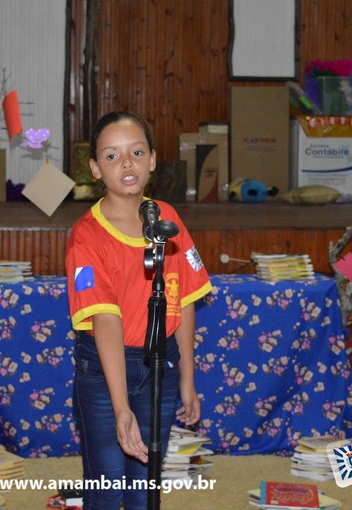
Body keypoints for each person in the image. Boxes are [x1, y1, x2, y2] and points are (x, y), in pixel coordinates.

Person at [65, 111, 212, 509]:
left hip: (161, 367)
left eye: (136, 152)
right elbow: (106, 321)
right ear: (95, 168)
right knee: (108, 486)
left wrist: (187, 377)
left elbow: (182, 299)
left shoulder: (168, 220)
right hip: (104, 372)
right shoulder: (86, 237)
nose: (126, 163)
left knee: (145, 487)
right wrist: (121, 408)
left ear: (152, 160)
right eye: (111, 157)